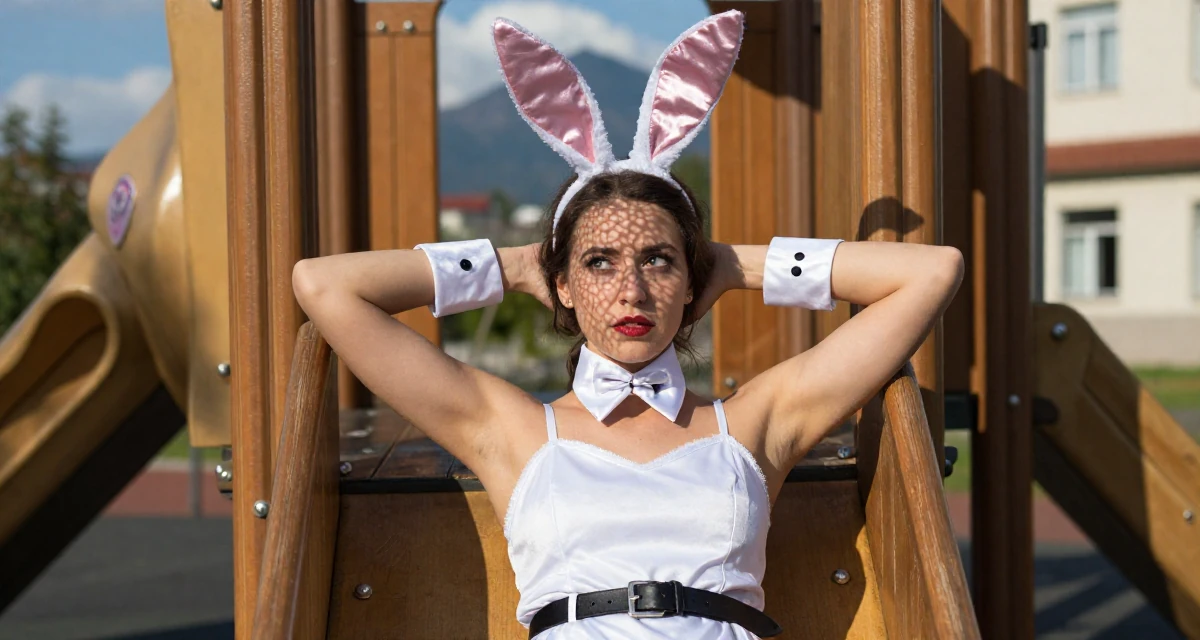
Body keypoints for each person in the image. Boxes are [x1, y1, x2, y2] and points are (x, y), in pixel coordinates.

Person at [292, 10, 963, 639]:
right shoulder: (514, 430)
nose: (631, 289)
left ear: (689, 281)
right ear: (564, 283)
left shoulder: (755, 423)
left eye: (658, 261)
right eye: (600, 262)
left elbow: (930, 273)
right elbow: (325, 287)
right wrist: (517, 264)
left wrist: (731, 265)